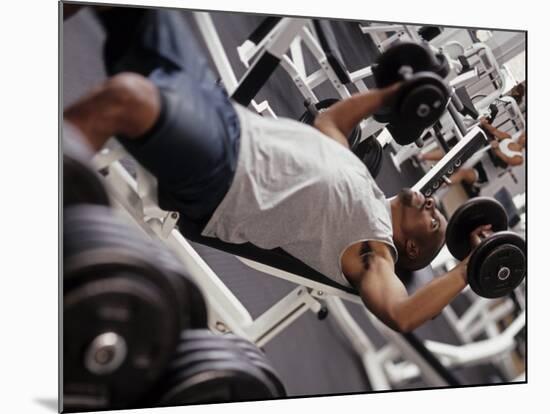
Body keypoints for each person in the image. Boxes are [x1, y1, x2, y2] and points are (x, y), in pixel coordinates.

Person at [64, 6, 488, 333]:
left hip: (223, 177)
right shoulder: (362, 183)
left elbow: (402, 314)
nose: (434, 203)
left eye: (434, 220)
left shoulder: (373, 252)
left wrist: (469, 269)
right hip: (226, 118)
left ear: (410, 249)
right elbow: (331, 123)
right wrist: (392, 95)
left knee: (126, 98)